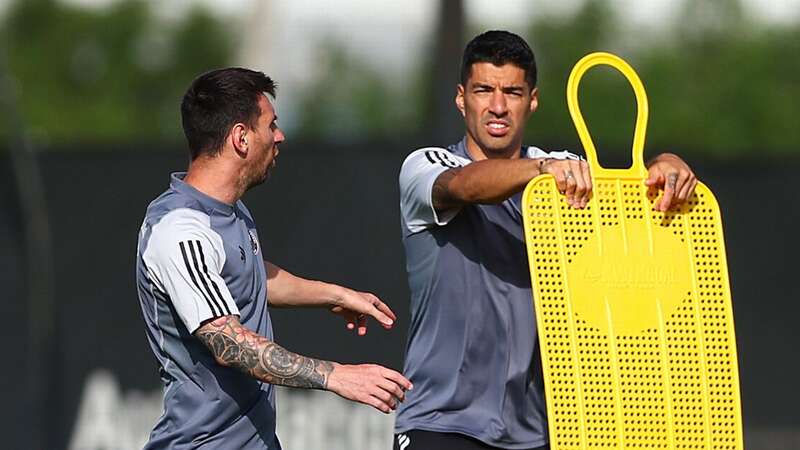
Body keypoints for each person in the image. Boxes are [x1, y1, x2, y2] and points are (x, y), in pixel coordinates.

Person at [394, 30, 697, 450]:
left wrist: (666, 165)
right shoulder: (426, 165)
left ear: (532, 100)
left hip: (540, 432)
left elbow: (633, 202)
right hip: (442, 423)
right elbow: (466, 185)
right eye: (484, 90)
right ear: (461, 98)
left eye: (512, 92)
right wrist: (542, 169)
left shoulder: (564, 173)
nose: (498, 106)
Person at [135, 67, 412, 450]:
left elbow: (249, 276)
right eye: (271, 124)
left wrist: (334, 295)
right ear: (241, 138)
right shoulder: (180, 231)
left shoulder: (231, 211)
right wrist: (336, 376)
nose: (279, 136)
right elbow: (230, 344)